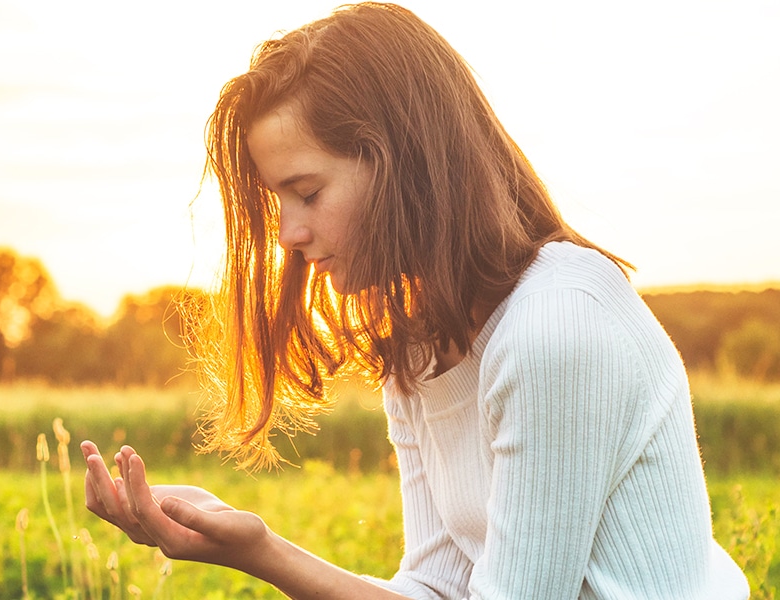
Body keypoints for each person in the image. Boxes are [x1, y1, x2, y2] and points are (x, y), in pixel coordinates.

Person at [81, 3, 750, 598]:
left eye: (307, 192)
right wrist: (258, 550)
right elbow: (435, 588)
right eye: (278, 203)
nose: (290, 235)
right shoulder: (417, 349)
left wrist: (266, 552)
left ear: (401, 163)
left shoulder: (556, 325)